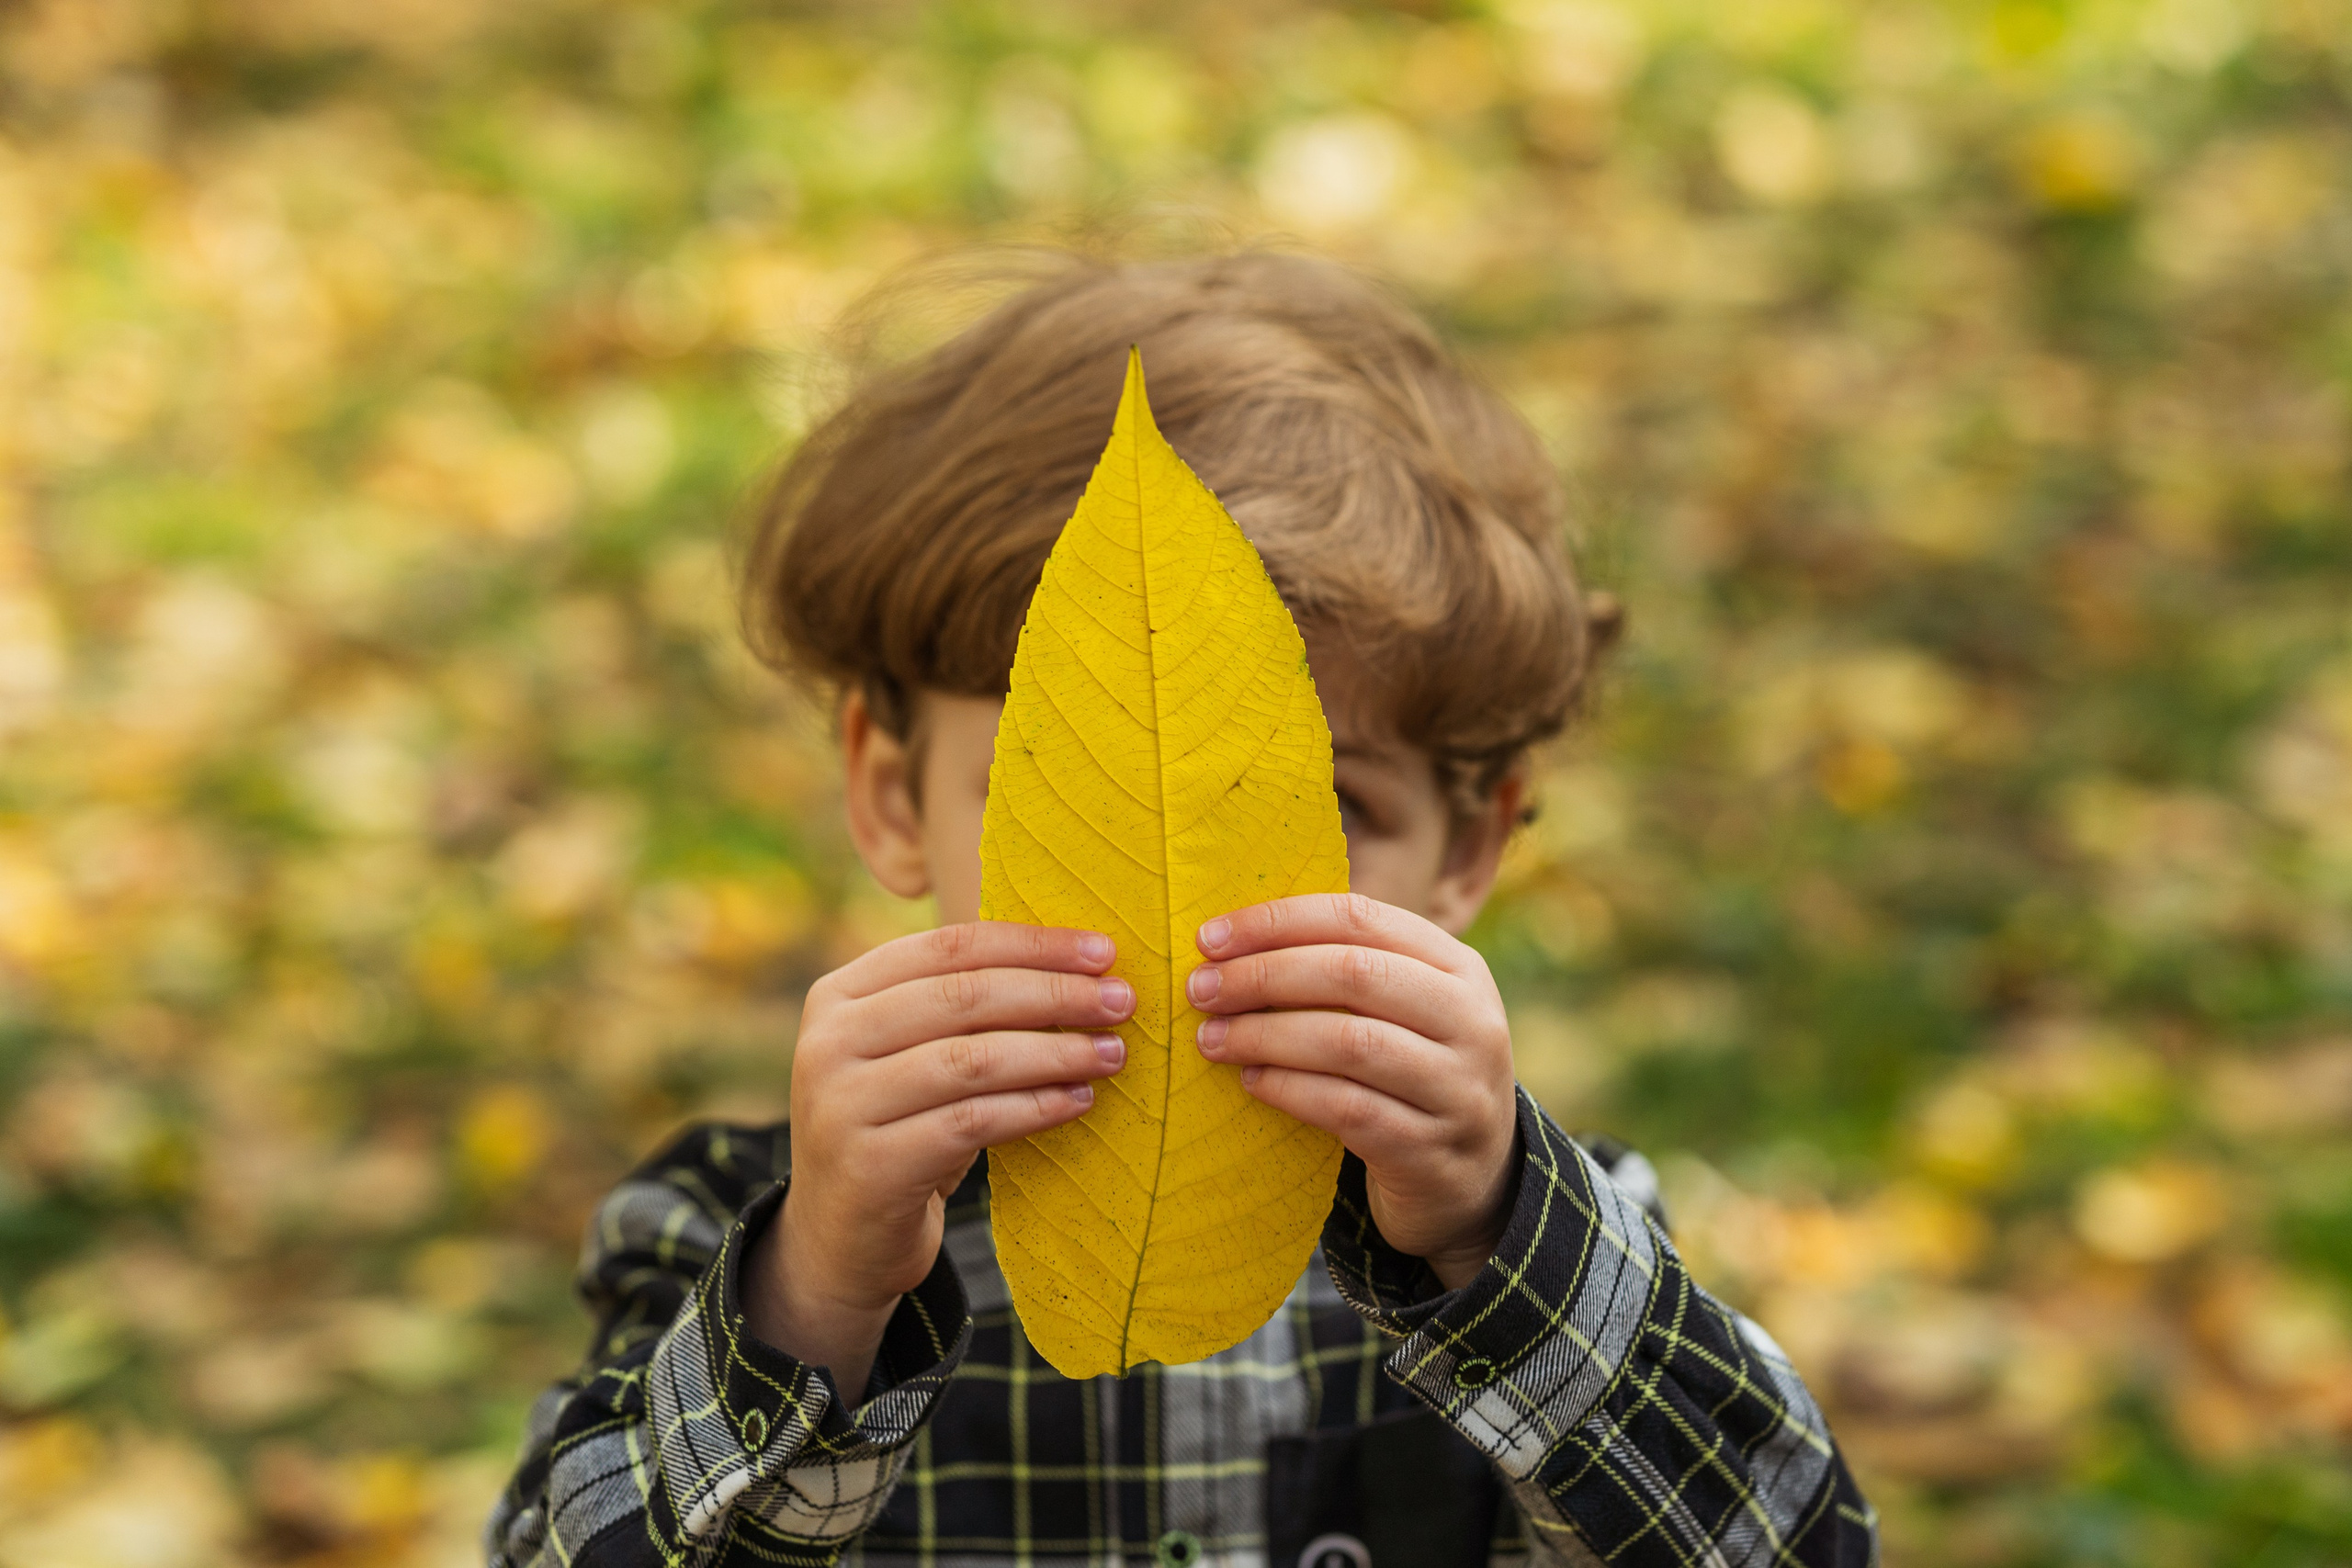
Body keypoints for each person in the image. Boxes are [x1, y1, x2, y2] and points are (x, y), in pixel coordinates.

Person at [485, 252, 1877, 1567]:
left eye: (1311, 809)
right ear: (892, 791)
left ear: (1474, 842)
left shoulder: (1537, 1232)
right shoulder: (738, 1228)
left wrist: (1492, 1246)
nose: (1191, 907)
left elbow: (1797, 1542)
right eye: (1062, 790)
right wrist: (818, 1302)